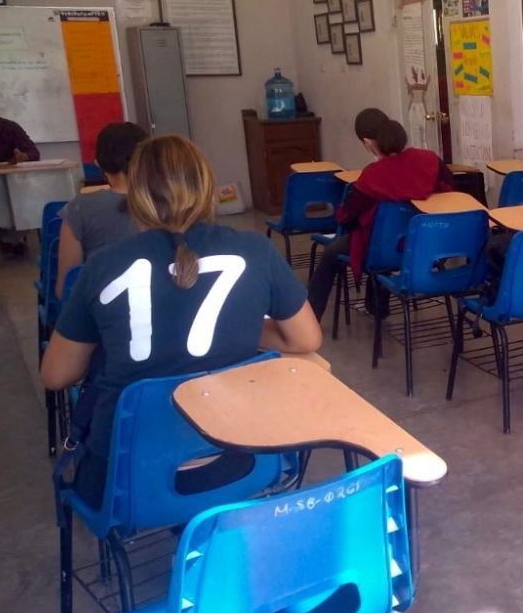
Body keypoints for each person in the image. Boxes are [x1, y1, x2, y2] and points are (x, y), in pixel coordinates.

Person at [40, 134, 322, 509]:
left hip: (128, 481)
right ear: (207, 189)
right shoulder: (256, 249)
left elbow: (56, 375)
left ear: (135, 196)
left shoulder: (103, 265)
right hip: (240, 460)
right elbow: (306, 339)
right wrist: (237, 326)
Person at [305, 108, 453, 321]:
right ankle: (375, 302)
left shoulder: (372, 176)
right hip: (428, 241)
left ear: (368, 143)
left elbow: (346, 216)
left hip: (383, 247)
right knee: (382, 237)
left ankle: (310, 316)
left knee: (334, 251)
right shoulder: (430, 159)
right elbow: (449, 188)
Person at [55, 122, 147, 297]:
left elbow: (65, 289)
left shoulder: (79, 208)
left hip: (101, 307)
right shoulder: (171, 203)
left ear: (99, 164)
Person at [0, 92, 41, 255]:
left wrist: (24, 156)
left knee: (31, 206)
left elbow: (34, 152)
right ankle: (9, 241)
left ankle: (8, 240)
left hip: (12, 186)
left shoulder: (10, 127)